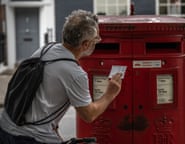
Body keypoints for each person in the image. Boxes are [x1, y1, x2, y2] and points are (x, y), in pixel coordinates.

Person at [0, 9, 122, 144]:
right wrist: (110, 94)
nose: (97, 42)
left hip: (6, 127)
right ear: (86, 44)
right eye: (96, 39)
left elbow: (43, 96)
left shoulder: (45, 50)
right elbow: (89, 115)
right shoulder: (75, 73)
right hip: (29, 138)